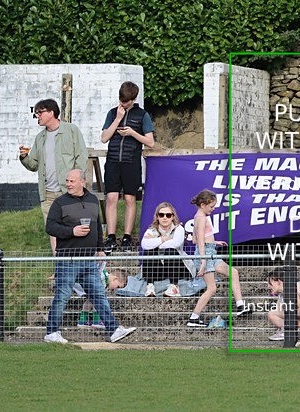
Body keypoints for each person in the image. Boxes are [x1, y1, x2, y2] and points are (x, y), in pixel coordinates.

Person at [43, 169, 136, 343]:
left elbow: (97, 226)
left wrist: (100, 247)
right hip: (68, 259)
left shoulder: (93, 200)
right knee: (62, 295)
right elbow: (50, 227)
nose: (68, 184)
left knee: (98, 294)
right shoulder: (59, 203)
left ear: (82, 182)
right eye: (67, 181)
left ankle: (114, 329)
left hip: (89, 260)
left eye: (72, 181)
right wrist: (72, 231)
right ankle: (51, 332)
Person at [20, 98, 89, 255]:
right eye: (37, 113)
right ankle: (59, 266)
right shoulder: (40, 137)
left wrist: (77, 183)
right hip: (48, 193)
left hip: (69, 191)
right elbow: (33, 165)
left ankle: (75, 262)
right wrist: (24, 157)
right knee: (53, 230)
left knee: (74, 227)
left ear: (51, 112)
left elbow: (81, 157)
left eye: (40, 112)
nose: (37, 116)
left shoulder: (71, 130)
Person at [100, 81, 155, 251]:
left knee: (130, 199)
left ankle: (127, 236)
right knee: (111, 198)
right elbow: (104, 137)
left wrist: (132, 133)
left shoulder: (142, 115)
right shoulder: (112, 113)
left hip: (131, 161)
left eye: (126, 101)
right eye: (121, 100)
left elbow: (150, 142)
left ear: (133, 99)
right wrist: (117, 118)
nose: (123, 104)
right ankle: (110, 236)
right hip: (113, 160)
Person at [186, 190, 251, 327]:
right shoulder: (201, 218)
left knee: (233, 272)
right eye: (211, 206)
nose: (213, 208)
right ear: (203, 204)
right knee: (211, 288)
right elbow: (200, 242)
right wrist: (203, 261)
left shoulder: (198, 217)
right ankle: (193, 318)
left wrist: (214, 242)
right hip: (205, 254)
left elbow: (194, 239)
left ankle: (240, 306)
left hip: (210, 252)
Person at [140, 202, 188, 297]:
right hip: (159, 270)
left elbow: (176, 243)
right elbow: (144, 244)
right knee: (149, 251)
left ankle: (174, 286)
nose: (165, 217)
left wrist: (156, 243)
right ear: (157, 217)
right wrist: (162, 239)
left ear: (173, 217)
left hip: (178, 267)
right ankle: (150, 286)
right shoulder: (151, 230)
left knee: (170, 250)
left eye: (168, 215)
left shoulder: (179, 228)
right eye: (161, 215)